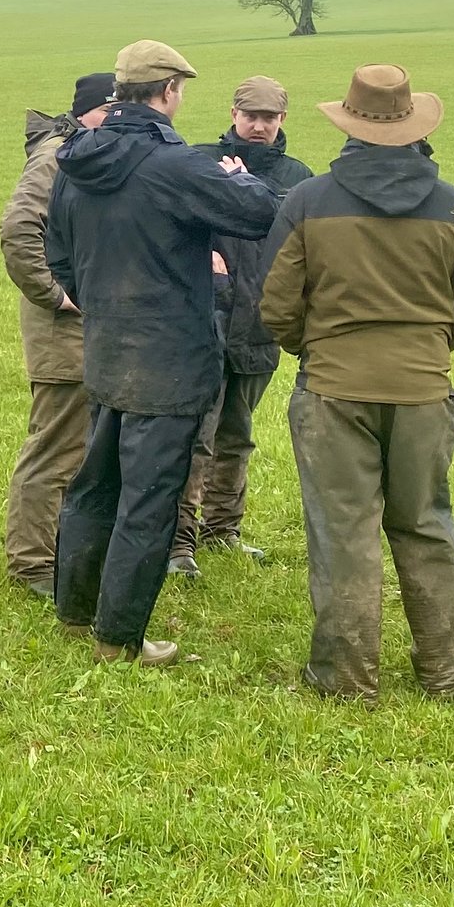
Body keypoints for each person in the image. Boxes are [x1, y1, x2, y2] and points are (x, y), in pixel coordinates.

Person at [259, 66, 454, 701]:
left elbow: (275, 304)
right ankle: (448, 671)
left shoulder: (307, 201)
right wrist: (424, 348)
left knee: (344, 532)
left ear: (350, 125)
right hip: (424, 391)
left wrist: (319, 347)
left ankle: (346, 677)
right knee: (427, 524)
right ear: (414, 126)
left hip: (332, 391)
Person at [47, 42, 276, 664]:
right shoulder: (175, 165)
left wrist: (101, 305)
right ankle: (119, 638)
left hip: (105, 349)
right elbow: (261, 213)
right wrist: (240, 177)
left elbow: (59, 255)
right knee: (148, 500)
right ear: (169, 90)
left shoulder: (77, 161)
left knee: (94, 485)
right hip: (170, 360)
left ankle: (75, 612)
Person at [171, 74, 316, 574]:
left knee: (237, 433)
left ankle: (223, 530)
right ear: (233, 114)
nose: (258, 126)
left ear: (283, 120)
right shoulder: (199, 161)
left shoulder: (299, 177)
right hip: (203, 319)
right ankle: (179, 541)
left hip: (260, 320)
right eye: (250, 116)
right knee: (195, 436)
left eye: (268, 118)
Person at [0, 71, 114, 598]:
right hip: (63, 329)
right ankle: (31, 564)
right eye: (108, 109)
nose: (114, 119)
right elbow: (18, 229)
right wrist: (55, 295)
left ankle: (61, 549)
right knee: (55, 448)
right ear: (86, 112)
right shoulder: (57, 158)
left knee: (80, 447)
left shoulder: (87, 155)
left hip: (88, 329)